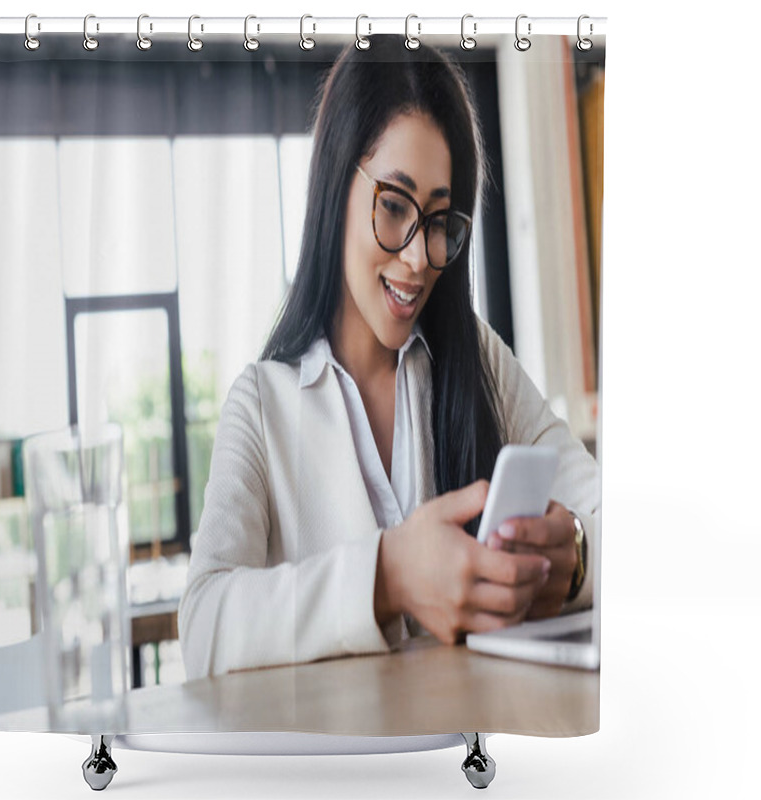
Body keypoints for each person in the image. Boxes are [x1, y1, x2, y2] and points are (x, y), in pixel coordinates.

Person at [178, 36, 600, 680]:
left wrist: (575, 560)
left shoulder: (477, 358)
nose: (416, 257)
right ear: (334, 187)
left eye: (438, 221)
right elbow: (203, 625)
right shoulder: (261, 405)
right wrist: (387, 575)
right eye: (394, 206)